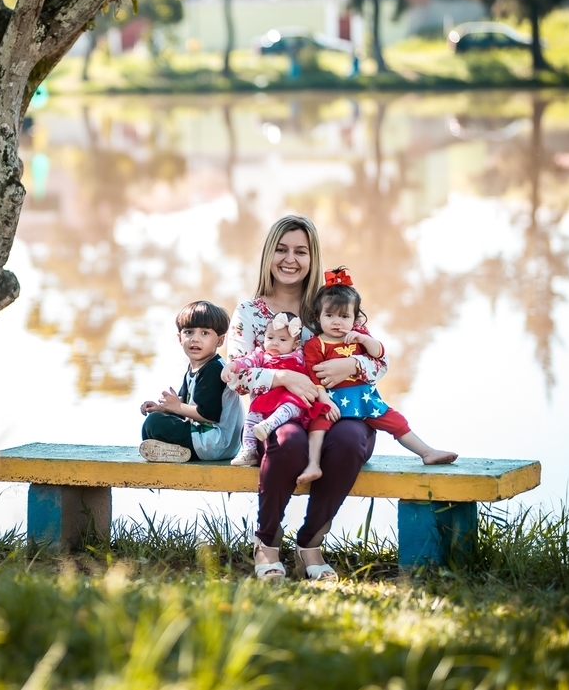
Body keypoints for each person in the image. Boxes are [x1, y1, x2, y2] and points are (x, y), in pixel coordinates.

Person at [227, 214, 387, 582]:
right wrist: (283, 376)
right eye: (281, 249)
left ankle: (310, 543)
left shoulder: (331, 305)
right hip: (278, 416)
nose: (290, 259)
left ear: (313, 257)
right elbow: (236, 375)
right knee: (287, 441)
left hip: (336, 413)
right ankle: (266, 543)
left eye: (301, 251)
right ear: (268, 255)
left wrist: (352, 368)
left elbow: (380, 360)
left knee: (350, 440)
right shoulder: (250, 313)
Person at [304, 267, 458, 466]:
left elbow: (379, 354)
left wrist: (364, 339)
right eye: (330, 315)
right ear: (318, 317)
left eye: (344, 317)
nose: (337, 322)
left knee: (396, 421)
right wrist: (324, 400)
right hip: (333, 400)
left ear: (354, 318)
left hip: (364, 398)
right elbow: (314, 376)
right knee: (318, 425)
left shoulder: (357, 337)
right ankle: (312, 464)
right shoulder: (316, 344)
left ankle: (427, 452)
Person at [223, 313, 337, 483]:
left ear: (295, 344)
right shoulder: (261, 355)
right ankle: (248, 450)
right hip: (268, 400)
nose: (275, 342)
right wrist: (232, 365)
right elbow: (245, 362)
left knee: (289, 408)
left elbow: (315, 372)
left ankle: (270, 424)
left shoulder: (300, 356)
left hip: (292, 399)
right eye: (270, 337)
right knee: (251, 418)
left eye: (283, 340)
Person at [138, 300, 243, 463]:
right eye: (189, 332)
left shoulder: (214, 370)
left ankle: (179, 452)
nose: (195, 339)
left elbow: (208, 415)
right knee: (153, 422)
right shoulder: (196, 368)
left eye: (205, 333)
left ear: (220, 340)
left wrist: (176, 407)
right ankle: (174, 452)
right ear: (180, 338)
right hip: (210, 440)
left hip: (216, 442)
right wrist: (164, 408)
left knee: (154, 424)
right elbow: (187, 403)